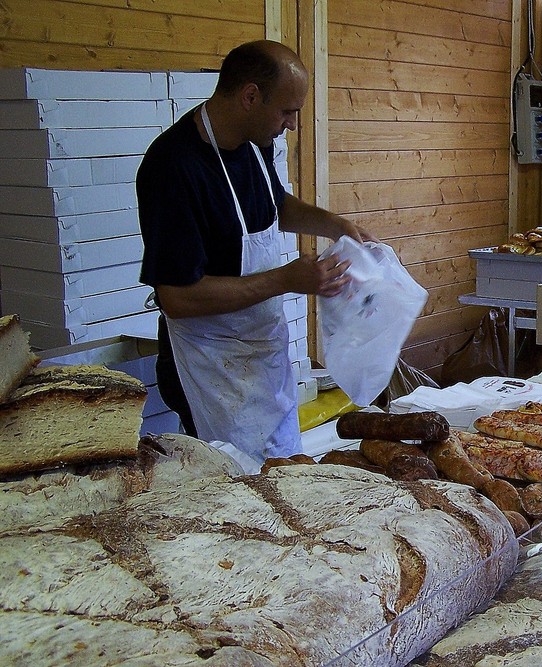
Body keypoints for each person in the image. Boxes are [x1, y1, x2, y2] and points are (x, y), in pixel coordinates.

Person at [136, 39, 373, 467]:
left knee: (284, 474)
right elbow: (177, 297)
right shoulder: (172, 168)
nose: (292, 124)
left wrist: (336, 225)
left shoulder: (255, 141)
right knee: (240, 496)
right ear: (250, 96)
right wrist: (285, 280)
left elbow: (273, 204)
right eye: (287, 111)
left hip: (262, 353)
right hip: (211, 368)